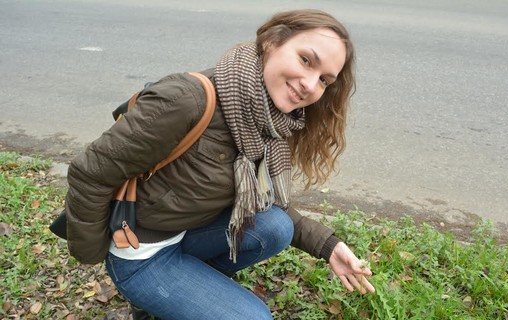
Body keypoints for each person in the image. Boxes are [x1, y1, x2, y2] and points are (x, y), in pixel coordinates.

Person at [65, 9, 375, 320]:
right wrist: (94, 253)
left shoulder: (270, 119)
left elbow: (263, 200)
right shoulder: (187, 100)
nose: (310, 85)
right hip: (140, 254)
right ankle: (150, 297)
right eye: (306, 60)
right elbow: (89, 174)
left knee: (276, 227)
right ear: (271, 41)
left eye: (324, 80)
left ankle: (184, 288)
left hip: (184, 232)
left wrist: (328, 246)